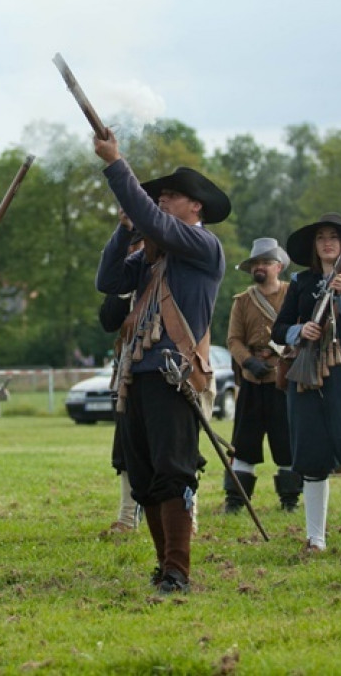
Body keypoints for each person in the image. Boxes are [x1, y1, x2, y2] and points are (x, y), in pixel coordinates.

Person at [94, 130, 229, 594]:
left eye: (171, 196)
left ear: (197, 207)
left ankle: (178, 571)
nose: (163, 201)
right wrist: (125, 228)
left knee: (173, 473)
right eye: (161, 197)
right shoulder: (153, 256)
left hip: (174, 376)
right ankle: (164, 566)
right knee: (147, 476)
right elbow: (108, 279)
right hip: (138, 375)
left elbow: (158, 222)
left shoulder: (203, 246)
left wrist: (116, 165)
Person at [272, 213, 341, 561]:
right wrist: (299, 331)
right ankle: (315, 539)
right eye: (321, 237)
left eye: (334, 237)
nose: (327, 243)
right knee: (311, 454)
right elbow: (279, 329)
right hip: (306, 372)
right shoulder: (301, 283)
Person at [224, 237, 300, 514]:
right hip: (253, 381)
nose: (260, 268)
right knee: (243, 444)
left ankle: (290, 499)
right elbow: (233, 339)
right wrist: (248, 363)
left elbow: (300, 330)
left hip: (283, 380)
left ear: (278, 266)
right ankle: (235, 501)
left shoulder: (293, 294)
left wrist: (278, 355)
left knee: (287, 444)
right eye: (256, 263)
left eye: (266, 263)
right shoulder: (242, 302)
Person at [100, 229, 145, 534]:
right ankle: (128, 517)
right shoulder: (123, 285)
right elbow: (107, 321)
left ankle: (188, 516)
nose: (133, 250)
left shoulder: (164, 277)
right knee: (128, 446)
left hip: (169, 371)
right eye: (129, 246)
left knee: (179, 450)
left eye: (137, 244)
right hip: (131, 372)